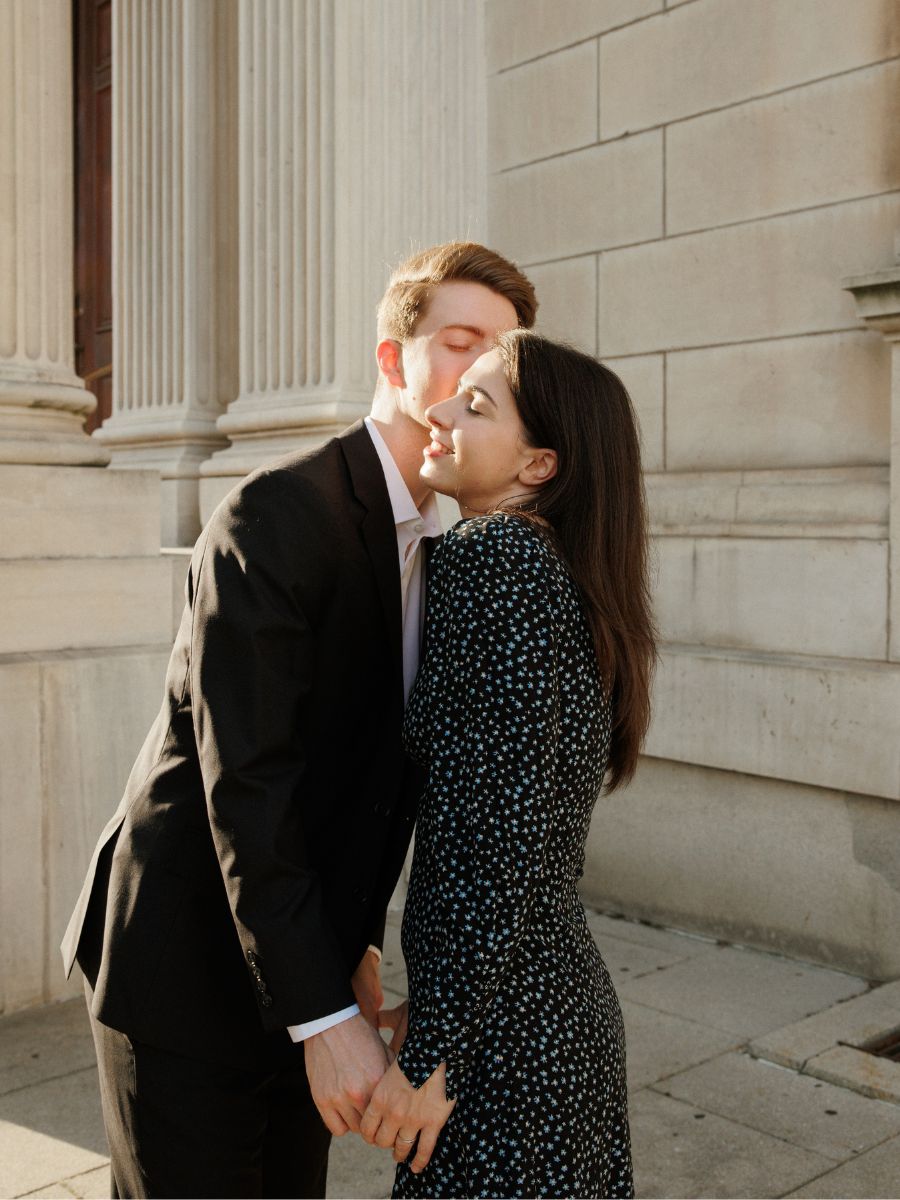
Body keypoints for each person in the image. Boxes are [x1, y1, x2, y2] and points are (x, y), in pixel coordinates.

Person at [60, 242, 537, 1198]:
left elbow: (368, 777)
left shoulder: (449, 549)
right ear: (392, 360)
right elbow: (249, 784)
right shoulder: (276, 514)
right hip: (182, 969)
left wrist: (349, 953)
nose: (479, 372)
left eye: (503, 355)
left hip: (302, 959)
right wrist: (325, 1019)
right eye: (459, 343)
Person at [360, 331, 656, 1199]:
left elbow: (499, 841)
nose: (440, 411)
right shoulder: (553, 570)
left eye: (477, 405)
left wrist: (436, 1049)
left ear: (539, 464)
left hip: (511, 1048)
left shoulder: (497, 559)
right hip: (544, 1012)